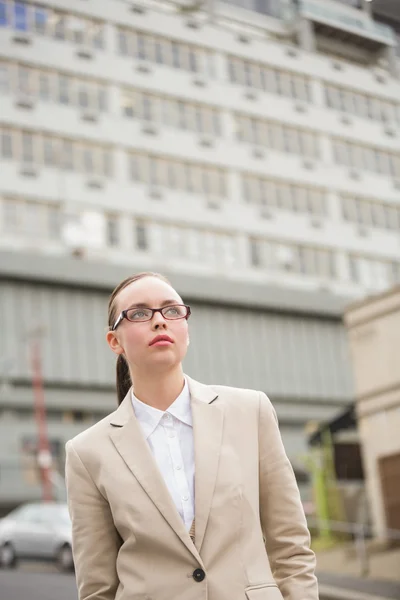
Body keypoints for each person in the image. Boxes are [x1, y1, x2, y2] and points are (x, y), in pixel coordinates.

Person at [65, 272, 319, 600]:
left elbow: (291, 549)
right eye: (139, 313)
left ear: (186, 328)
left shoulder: (250, 411)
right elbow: (98, 588)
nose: (160, 321)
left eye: (172, 310)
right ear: (115, 341)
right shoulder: (87, 452)